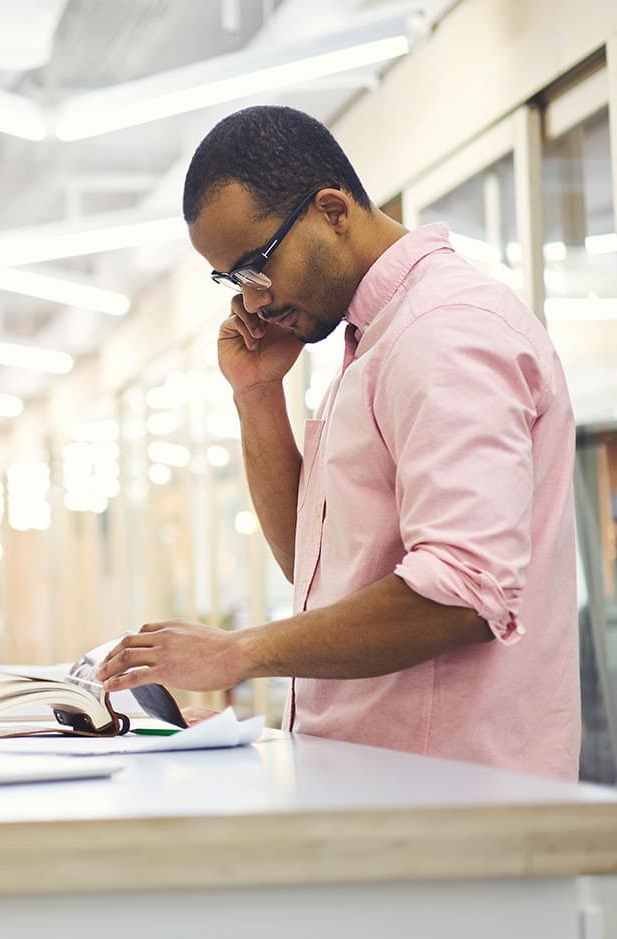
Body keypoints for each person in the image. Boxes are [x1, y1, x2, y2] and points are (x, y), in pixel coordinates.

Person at [96, 105, 578, 779]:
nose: (254, 303)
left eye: (256, 265)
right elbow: (313, 566)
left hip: (454, 808)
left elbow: (466, 591)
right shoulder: (373, 340)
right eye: (233, 281)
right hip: (383, 789)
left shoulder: (445, 333)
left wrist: (238, 652)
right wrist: (257, 394)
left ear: (332, 210)